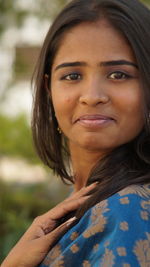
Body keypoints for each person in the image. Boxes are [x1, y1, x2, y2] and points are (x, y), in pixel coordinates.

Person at [1, 0, 150, 266]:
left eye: (118, 74)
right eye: (72, 76)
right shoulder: (82, 198)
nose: (92, 96)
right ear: (49, 90)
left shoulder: (125, 210)